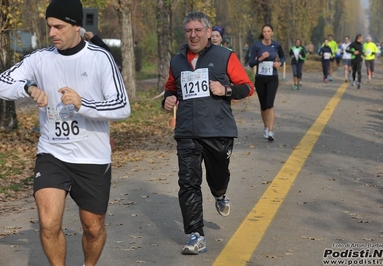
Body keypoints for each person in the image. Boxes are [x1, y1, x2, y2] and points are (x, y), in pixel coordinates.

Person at [0, 0, 131, 265]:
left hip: (92, 157)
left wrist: (84, 104)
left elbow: (122, 106)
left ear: (76, 26)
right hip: (52, 153)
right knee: (48, 223)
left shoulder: (99, 58)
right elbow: (3, 82)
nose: (52, 33)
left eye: (58, 27)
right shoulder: (40, 58)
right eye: (49, 26)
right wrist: (26, 88)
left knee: (93, 228)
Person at [162, 11, 254, 255]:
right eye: (189, 31)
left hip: (218, 131)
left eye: (198, 30)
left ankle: (220, 194)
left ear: (207, 31)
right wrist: (168, 100)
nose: (193, 35)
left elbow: (247, 87)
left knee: (218, 178)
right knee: (188, 182)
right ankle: (196, 235)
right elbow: (170, 90)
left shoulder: (224, 56)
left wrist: (225, 90)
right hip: (187, 132)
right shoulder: (177, 61)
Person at [249, 24, 286, 141]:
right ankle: (265, 127)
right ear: (262, 33)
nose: (266, 33)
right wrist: (260, 58)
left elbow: (284, 57)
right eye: (264, 31)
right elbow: (250, 63)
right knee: (263, 106)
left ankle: (271, 131)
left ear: (272, 33)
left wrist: (280, 63)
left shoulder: (276, 45)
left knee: (270, 104)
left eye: (268, 31)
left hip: (272, 77)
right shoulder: (257, 45)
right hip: (260, 78)